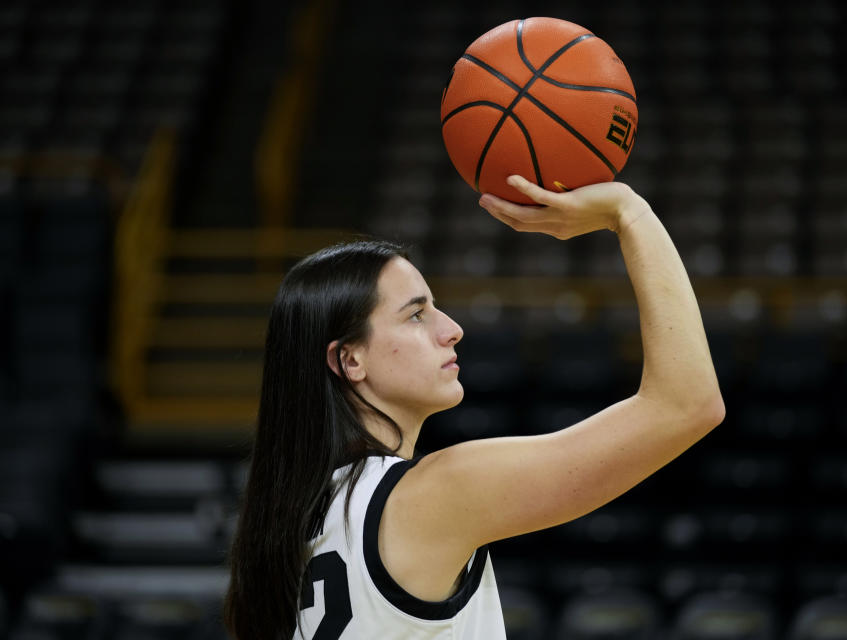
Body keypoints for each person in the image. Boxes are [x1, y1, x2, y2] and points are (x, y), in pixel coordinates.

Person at [223, 175, 725, 640]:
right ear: (350, 360)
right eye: (416, 314)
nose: (451, 328)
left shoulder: (299, 520)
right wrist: (628, 212)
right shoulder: (431, 495)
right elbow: (687, 404)